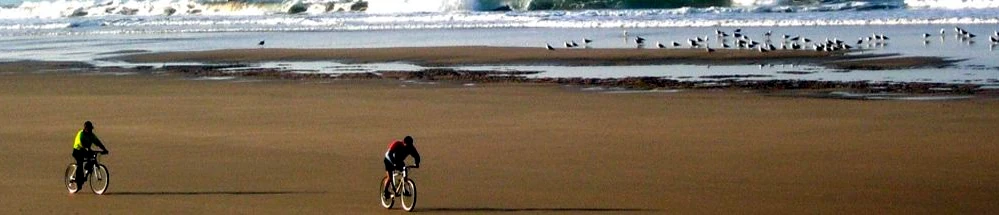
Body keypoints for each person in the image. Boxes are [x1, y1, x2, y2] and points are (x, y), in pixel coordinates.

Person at [71, 121, 109, 187]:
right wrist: (87, 149)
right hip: (78, 151)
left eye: (91, 129)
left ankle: (87, 167)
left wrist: (104, 149)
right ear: (85, 129)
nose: (91, 130)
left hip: (86, 150)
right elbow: (82, 143)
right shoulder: (81, 134)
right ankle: (78, 180)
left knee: (92, 158)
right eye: (89, 129)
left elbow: (97, 142)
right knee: (80, 164)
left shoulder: (91, 135)